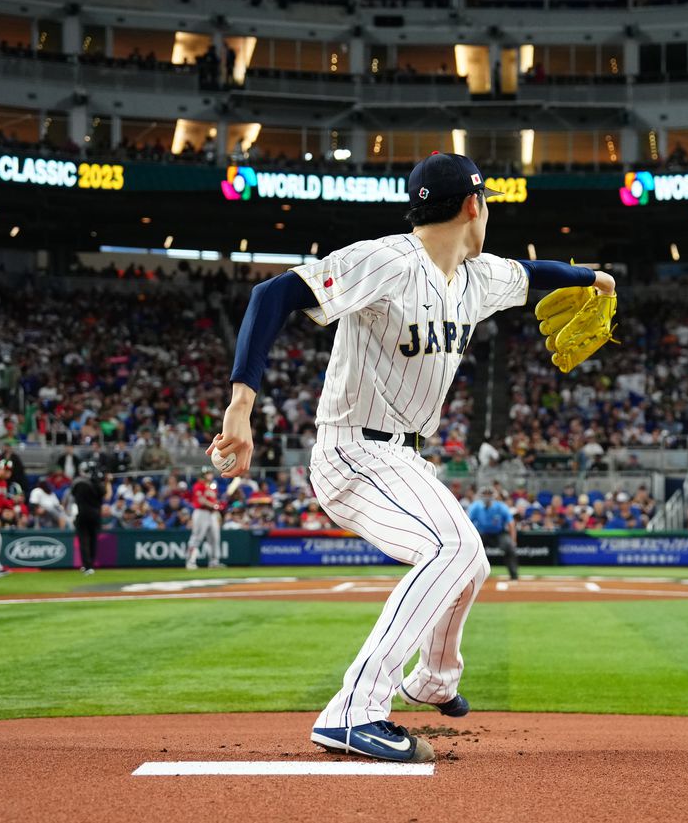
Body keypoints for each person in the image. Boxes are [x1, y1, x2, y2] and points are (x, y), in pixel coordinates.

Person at [206, 152, 616, 763]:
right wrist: (241, 405)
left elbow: (535, 271)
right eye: (488, 203)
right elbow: (273, 296)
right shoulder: (387, 260)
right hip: (352, 451)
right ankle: (353, 710)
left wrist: (592, 279)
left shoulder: (479, 277)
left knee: (469, 563)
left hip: (403, 458)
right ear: (474, 204)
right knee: (452, 548)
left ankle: (432, 681)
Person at [467, 487, 519, 580]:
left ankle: (514, 575)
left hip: (499, 533)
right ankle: (470, 576)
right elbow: (467, 523)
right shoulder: (475, 507)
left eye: (489, 495)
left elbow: (511, 524)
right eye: (485, 495)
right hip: (481, 534)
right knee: (471, 549)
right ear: (480, 496)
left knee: (510, 547)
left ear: (494, 496)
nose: (487, 497)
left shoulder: (501, 507)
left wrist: (513, 540)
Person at [69, 462, 104, 575]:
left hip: (83, 514)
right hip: (94, 514)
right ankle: (90, 565)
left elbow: (73, 493)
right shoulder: (95, 482)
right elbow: (103, 494)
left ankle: (87, 565)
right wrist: (98, 480)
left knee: (84, 540)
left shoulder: (79, 482)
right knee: (92, 540)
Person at [185, 468, 221, 569]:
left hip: (212, 514)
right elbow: (201, 500)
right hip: (201, 513)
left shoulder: (212, 486)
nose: (210, 475)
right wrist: (214, 505)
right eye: (207, 474)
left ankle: (214, 561)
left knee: (215, 538)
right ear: (202, 475)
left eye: (210, 473)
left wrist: (216, 506)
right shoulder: (198, 485)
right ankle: (190, 561)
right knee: (197, 538)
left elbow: (214, 500)